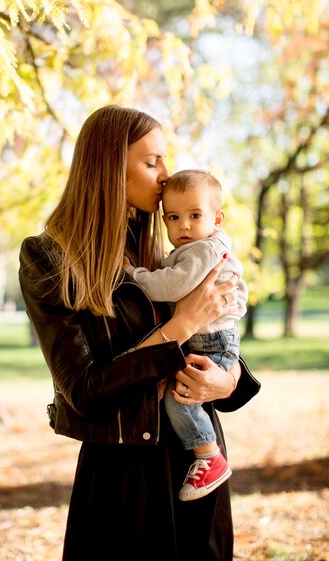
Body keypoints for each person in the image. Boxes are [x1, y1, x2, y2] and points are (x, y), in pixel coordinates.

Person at [18, 105, 261, 561]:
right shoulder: (49, 259)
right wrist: (179, 326)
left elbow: (217, 336)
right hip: (123, 469)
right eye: (152, 163)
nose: (166, 176)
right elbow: (83, 391)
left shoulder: (169, 246)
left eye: (165, 161)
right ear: (110, 167)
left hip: (198, 457)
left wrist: (227, 381)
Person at [124, 168, 248, 502]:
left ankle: (209, 456)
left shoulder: (204, 250)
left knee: (180, 397)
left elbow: (172, 284)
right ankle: (207, 454)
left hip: (212, 343)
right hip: (208, 339)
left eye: (195, 215)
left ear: (217, 218)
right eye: (174, 217)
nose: (185, 226)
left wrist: (132, 275)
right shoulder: (202, 248)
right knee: (180, 394)